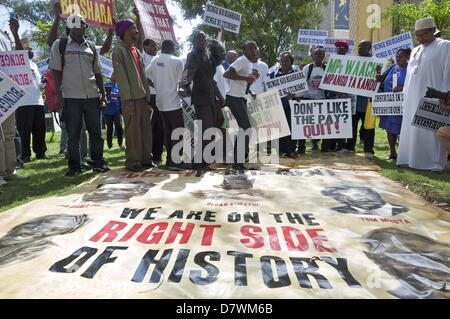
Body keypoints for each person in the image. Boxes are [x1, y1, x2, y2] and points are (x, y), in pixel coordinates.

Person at [49, 14, 109, 177]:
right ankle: (75, 166)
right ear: (69, 27)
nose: (79, 26)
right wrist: (58, 95)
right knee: (74, 134)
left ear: (85, 27)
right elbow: (55, 71)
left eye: (82, 23)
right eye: (74, 24)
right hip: (70, 96)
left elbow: (98, 72)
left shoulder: (91, 47)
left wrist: (102, 94)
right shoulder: (60, 45)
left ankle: (98, 162)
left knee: (96, 132)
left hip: (92, 96)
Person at [397, 17, 450, 171]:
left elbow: (448, 73)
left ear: (433, 31)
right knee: (411, 130)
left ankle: (433, 163)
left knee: (430, 132)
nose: (419, 38)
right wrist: (405, 96)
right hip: (412, 98)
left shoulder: (445, 46)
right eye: (417, 35)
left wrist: (444, 96)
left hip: (434, 99)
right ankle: (410, 159)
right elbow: (409, 76)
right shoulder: (415, 50)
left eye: (423, 35)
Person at [112, 18, 155, 172]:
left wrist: (148, 94)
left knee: (145, 129)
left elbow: (142, 74)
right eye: (134, 28)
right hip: (130, 98)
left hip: (142, 96)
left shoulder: (136, 50)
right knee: (132, 131)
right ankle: (133, 161)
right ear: (125, 31)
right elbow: (121, 76)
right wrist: (127, 99)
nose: (136, 30)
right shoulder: (118, 50)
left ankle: (146, 159)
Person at [180, 31, 225, 170]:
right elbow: (187, 72)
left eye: (203, 39)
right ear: (194, 40)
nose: (201, 41)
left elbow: (218, 62)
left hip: (211, 98)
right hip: (201, 99)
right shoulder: (193, 55)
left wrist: (215, 48)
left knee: (213, 130)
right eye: (199, 39)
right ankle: (199, 163)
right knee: (206, 131)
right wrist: (184, 86)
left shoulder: (207, 55)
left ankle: (208, 159)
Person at [146, 40, 185, 171]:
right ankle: (176, 161)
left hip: (160, 102)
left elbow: (146, 76)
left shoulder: (155, 60)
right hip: (173, 102)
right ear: (172, 48)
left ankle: (170, 159)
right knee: (178, 132)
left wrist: (156, 86)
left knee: (167, 132)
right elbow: (182, 81)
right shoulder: (176, 60)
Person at [223, 40, 259, 170]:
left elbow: (242, 82)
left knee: (245, 128)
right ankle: (237, 162)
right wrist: (246, 79)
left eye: (255, 48)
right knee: (245, 127)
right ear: (244, 51)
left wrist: (250, 86)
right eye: (251, 48)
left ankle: (238, 161)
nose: (254, 50)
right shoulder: (242, 60)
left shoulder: (247, 62)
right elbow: (226, 73)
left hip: (240, 97)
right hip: (234, 98)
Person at [0, 17, 28, 186]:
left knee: (9, 133)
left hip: (7, 89)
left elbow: (17, 55)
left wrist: (15, 33)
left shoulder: (4, 35)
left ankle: (10, 171)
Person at [375, 48, 411, 160]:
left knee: (400, 128)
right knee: (389, 128)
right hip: (388, 103)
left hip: (402, 105)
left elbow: (414, 85)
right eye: (397, 56)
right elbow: (380, 79)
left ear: (407, 58)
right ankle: (392, 153)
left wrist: (402, 88)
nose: (398, 58)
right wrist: (378, 72)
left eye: (401, 56)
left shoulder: (411, 69)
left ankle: (404, 154)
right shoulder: (393, 67)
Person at [16, 50, 48, 163]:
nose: (31, 51)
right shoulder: (17, 65)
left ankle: (40, 152)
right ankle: (25, 155)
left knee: (40, 129)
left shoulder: (34, 64)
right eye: (28, 49)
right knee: (24, 130)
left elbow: (39, 83)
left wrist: (44, 82)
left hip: (38, 101)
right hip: (23, 102)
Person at [293, 46, 327, 153]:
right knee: (304, 124)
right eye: (316, 54)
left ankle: (315, 143)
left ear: (323, 56)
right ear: (312, 55)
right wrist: (298, 96)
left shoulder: (327, 68)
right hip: (307, 98)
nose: (318, 56)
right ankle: (301, 147)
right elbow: (301, 83)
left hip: (321, 99)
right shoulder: (307, 68)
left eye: (320, 54)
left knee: (319, 124)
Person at [345, 40, 376, 158]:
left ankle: (368, 150)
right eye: (358, 45)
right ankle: (349, 147)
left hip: (367, 102)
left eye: (362, 45)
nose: (359, 47)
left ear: (369, 48)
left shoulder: (375, 63)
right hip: (354, 101)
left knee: (368, 126)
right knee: (351, 126)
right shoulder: (353, 62)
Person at [269, 51, 300, 158]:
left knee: (291, 128)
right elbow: (269, 89)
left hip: (291, 106)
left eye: (286, 61)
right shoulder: (273, 74)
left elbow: (302, 89)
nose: (284, 63)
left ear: (291, 62)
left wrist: (295, 94)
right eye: (282, 61)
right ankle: (281, 151)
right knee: (280, 129)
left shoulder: (296, 73)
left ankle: (290, 150)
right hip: (278, 105)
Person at [142, 38, 164, 163]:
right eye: (152, 46)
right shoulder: (142, 56)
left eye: (156, 46)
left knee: (159, 127)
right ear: (145, 47)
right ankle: (146, 154)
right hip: (149, 97)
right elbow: (144, 76)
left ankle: (157, 154)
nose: (155, 48)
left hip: (160, 97)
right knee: (149, 126)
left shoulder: (159, 58)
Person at [104, 75, 124, 150]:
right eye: (113, 75)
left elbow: (120, 98)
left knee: (119, 128)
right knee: (109, 129)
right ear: (110, 76)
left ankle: (120, 144)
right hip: (107, 111)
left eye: (116, 75)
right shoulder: (105, 84)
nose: (115, 76)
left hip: (117, 111)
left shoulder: (119, 86)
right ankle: (110, 146)